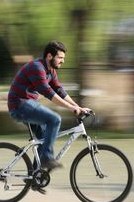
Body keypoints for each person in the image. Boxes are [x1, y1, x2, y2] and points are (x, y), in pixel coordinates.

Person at [8, 40, 91, 176]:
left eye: (63, 58)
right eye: (60, 57)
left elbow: (58, 90)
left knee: (44, 139)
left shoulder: (50, 71)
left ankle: (36, 175)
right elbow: (48, 92)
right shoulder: (36, 67)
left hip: (29, 105)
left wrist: (78, 107)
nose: (62, 61)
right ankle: (46, 158)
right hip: (19, 105)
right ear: (49, 56)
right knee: (54, 119)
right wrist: (71, 108)